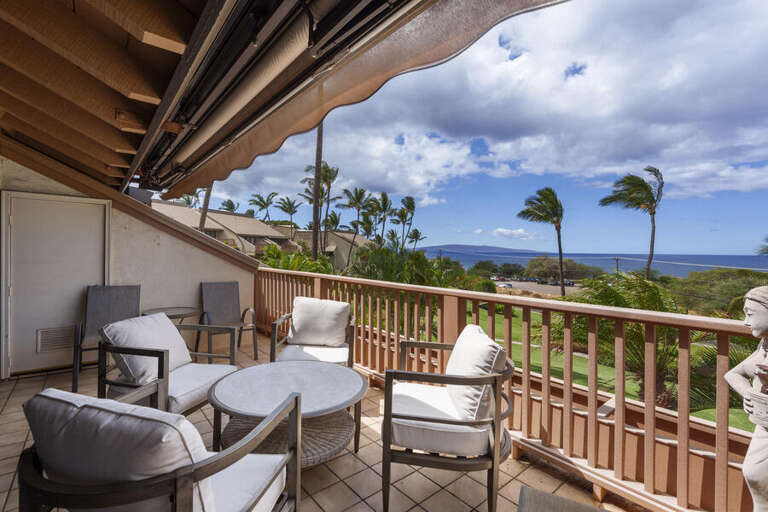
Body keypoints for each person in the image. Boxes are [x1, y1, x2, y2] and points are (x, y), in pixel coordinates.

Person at [725, 286, 768, 511]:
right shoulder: (764, 346)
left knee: (756, 474)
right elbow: (733, 374)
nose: (745, 322)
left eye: (750, 314)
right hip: (764, 425)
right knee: (754, 475)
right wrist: (749, 394)